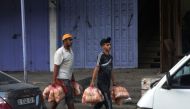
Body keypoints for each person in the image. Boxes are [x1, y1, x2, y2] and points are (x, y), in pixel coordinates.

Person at [90, 37, 116, 109]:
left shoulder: (110, 57)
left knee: (101, 101)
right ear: (103, 46)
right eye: (107, 45)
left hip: (107, 83)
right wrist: (92, 81)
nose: (109, 46)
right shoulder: (100, 55)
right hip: (101, 83)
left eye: (110, 45)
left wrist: (114, 82)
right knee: (108, 103)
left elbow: (111, 70)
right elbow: (96, 68)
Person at [52, 33, 75, 109]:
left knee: (57, 99)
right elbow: (56, 66)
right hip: (62, 79)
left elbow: (70, 67)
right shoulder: (60, 52)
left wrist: (73, 79)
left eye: (71, 40)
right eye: (69, 40)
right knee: (69, 99)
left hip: (68, 79)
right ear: (64, 41)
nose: (71, 41)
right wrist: (54, 80)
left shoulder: (71, 51)